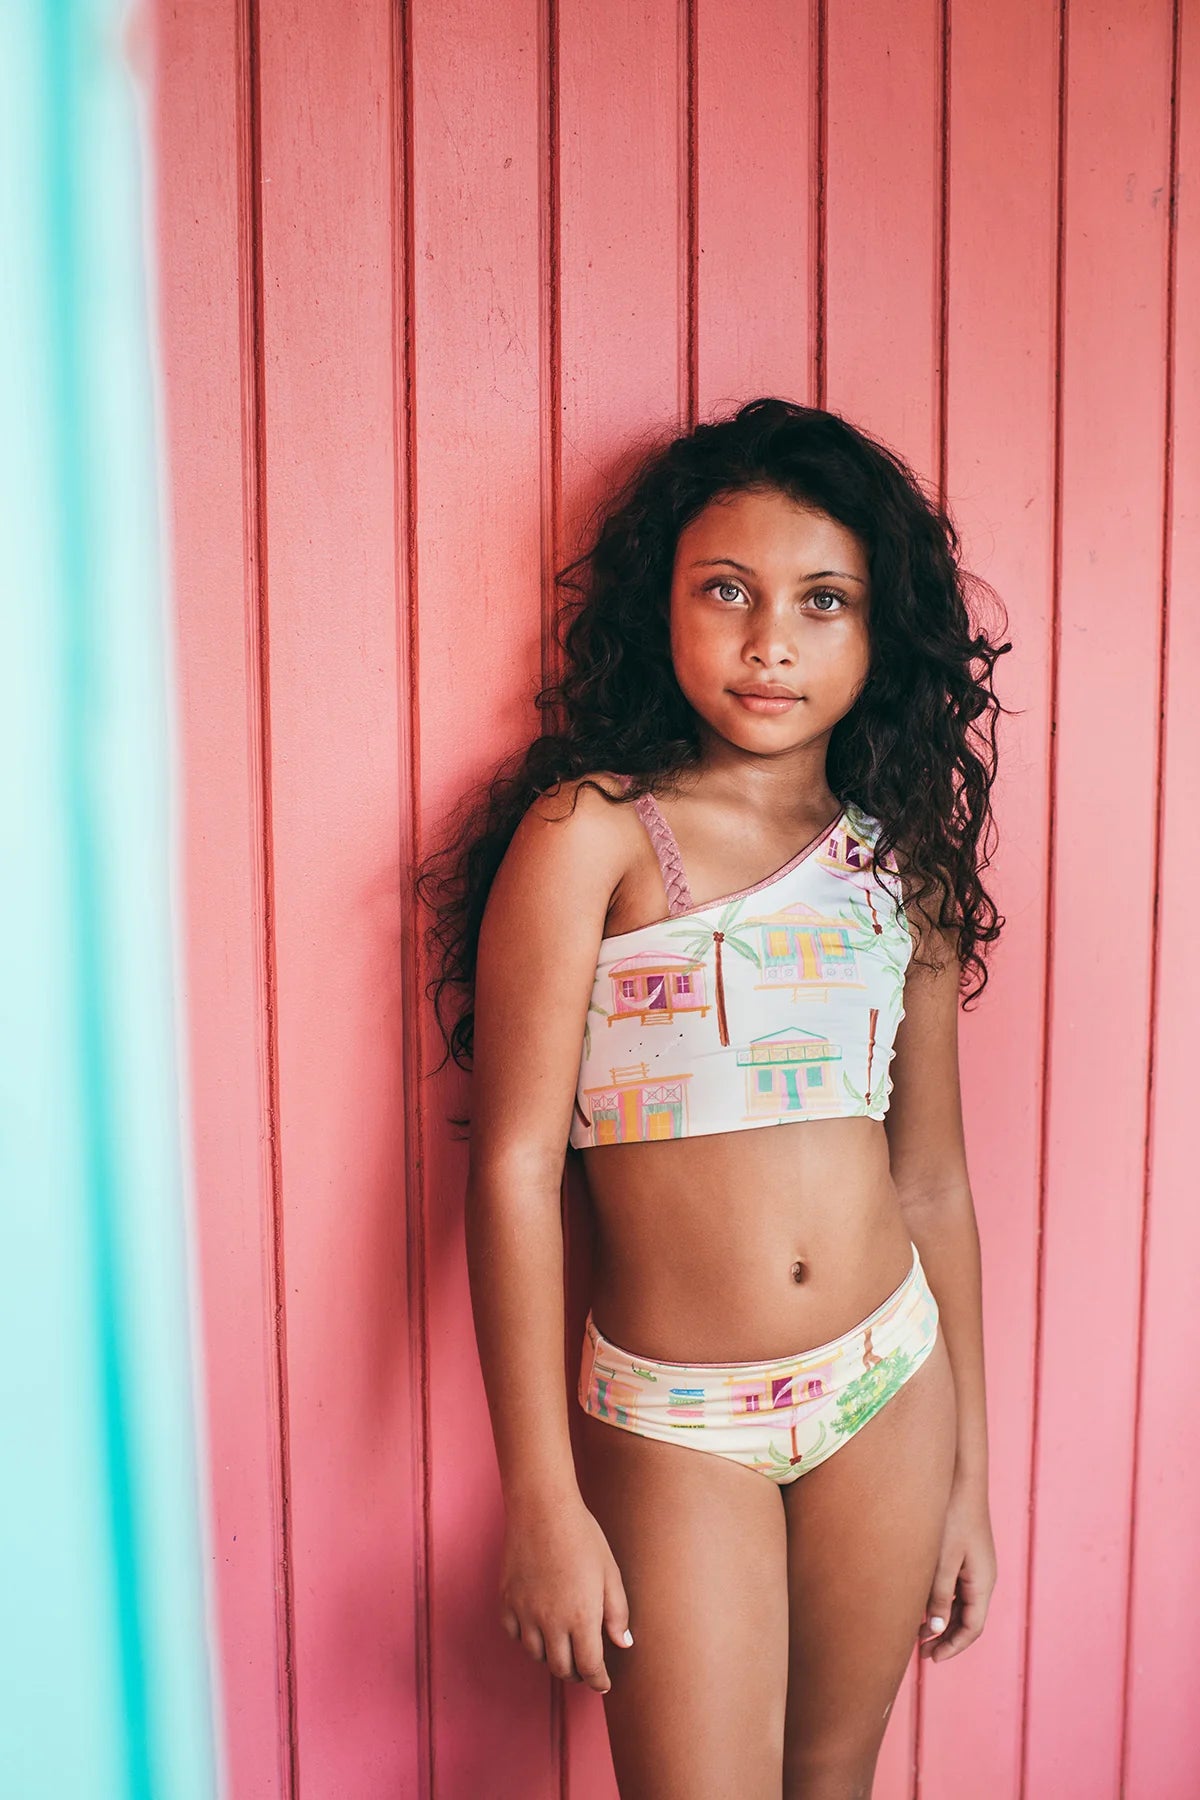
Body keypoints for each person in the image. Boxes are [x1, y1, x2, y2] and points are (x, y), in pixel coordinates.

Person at [418, 398, 1007, 1798]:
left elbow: (930, 1180)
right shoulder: (595, 834)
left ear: (881, 636)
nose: (770, 642)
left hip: (888, 1383)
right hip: (678, 1418)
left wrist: (970, 1478)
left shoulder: (899, 865)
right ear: (661, 606)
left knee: (832, 1784)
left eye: (823, 603)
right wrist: (544, 1500)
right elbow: (513, 1168)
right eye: (726, 592)